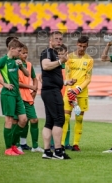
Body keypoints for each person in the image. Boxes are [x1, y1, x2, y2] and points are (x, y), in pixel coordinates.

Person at [0, 38, 29, 155]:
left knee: (23, 119)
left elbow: (27, 74)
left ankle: (14, 145)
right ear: (11, 49)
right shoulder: (3, 60)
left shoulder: (17, 60)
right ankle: (8, 149)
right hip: (8, 94)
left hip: (17, 94)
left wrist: (22, 66)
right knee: (9, 120)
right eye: (19, 51)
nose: (20, 53)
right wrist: (4, 84)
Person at [40, 31, 71, 159]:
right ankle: (58, 151)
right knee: (59, 119)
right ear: (50, 41)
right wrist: (60, 61)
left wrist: (64, 82)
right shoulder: (47, 52)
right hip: (52, 91)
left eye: (60, 39)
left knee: (49, 122)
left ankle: (47, 152)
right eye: (56, 39)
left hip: (50, 90)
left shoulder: (54, 54)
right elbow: (45, 66)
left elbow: (51, 76)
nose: (59, 41)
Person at [62, 36, 94, 151]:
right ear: (77, 44)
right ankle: (61, 144)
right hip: (69, 92)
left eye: (84, 46)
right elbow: (67, 75)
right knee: (65, 117)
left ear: (87, 46)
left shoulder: (89, 60)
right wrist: (71, 90)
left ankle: (75, 144)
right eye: (80, 46)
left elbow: (88, 78)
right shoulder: (69, 58)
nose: (81, 48)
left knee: (79, 118)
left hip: (81, 93)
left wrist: (78, 89)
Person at [16, 45, 44, 153]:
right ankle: (18, 144)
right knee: (20, 121)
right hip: (18, 96)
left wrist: (35, 90)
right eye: (23, 53)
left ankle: (35, 146)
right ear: (18, 53)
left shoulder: (29, 65)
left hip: (28, 96)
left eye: (26, 52)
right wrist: (30, 87)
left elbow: (34, 78)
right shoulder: (14, 65)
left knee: (34, 119)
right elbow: (16, 83)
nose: (25, 54)